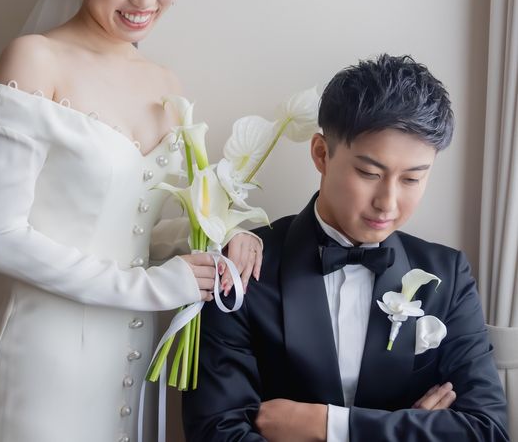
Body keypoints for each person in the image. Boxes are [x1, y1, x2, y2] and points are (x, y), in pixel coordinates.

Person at [0, 0, 261, 441]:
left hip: (134, 361)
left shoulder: (166, 85)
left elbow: (140, 228)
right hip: (47, 360)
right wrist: (150, 288)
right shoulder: (34, 60)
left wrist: (222, 242)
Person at [183, 54, 509, 441]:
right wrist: (411, 428)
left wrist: (325, 425)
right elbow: (216, 432)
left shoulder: (447, 276)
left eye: (412, 179)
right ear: (321, 153)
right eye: (369, 173)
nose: (387, 203)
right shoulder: (243, 268)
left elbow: (487, 430)